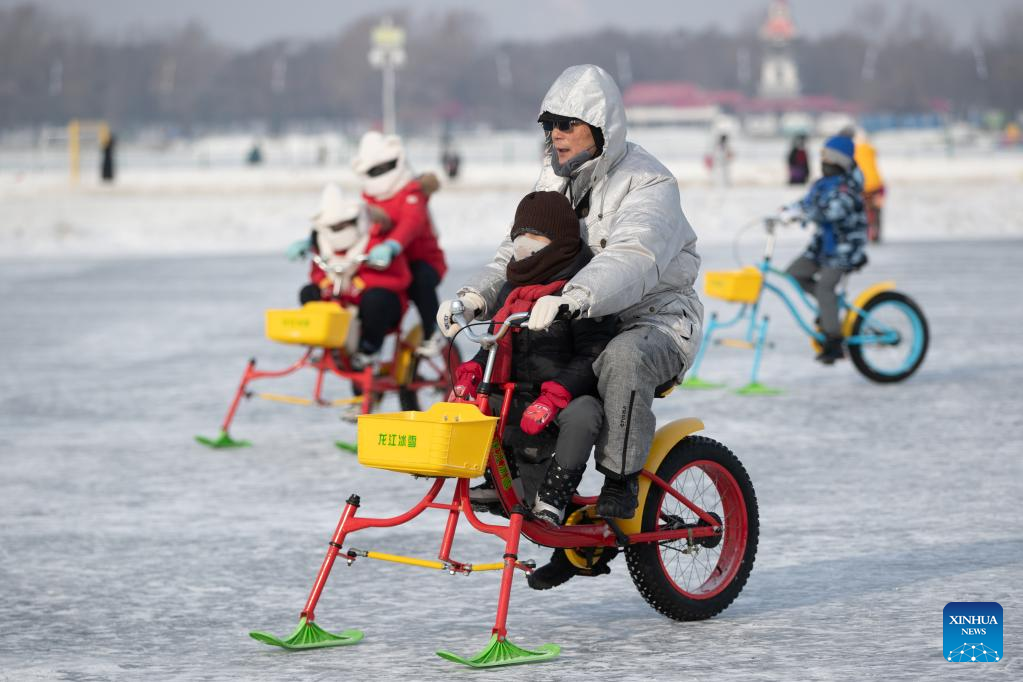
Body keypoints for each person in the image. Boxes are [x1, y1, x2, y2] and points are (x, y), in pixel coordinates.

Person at [438, 64, 703, 525]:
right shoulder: (554, 175)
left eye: (567, 124)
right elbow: (519, 251)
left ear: (601, 128)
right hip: (573, 315)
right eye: (548, 124)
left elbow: (634, 256)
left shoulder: (649, 183)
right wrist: (475, 297)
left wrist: (573, 297)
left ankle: (620, 481)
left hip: (654, 320)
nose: (555, 135)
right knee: (517, 352)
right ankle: (530, 490)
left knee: (621, 358)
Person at [452, 191, 615, 527]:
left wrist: (555, 396)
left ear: (559, 241)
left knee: (583, 414)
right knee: (475, 405)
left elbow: (593, 354)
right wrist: (474, 368)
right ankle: (502, 480)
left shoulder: (581, 291)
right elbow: (495, 345)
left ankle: (554, 496)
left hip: (565, 397)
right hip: (521, 396)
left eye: (535, 237)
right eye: (519, 236)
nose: (524, 245)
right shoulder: (510, 287)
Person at [351, 131, 448, 356]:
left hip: (422, 260)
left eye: (383, 168)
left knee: (420, 279)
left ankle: (433, 330)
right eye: (374, 170)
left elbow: (411, 222)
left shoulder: (411, 192)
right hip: (389, 266)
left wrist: (393, 245)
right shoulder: (369, 198)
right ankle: (367, 344)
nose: (380, 174)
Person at [299, 183, 411, 369]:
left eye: (343, 225)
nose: (338, 230)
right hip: (342, 305)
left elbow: (400, 278)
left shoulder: (376, 241)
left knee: (375, 300)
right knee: (309, 293)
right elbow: (318, 273)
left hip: (380, 308)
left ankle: (369, 350)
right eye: (333, 227)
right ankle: (325, 345)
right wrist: (323, 284)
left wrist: (360, 283)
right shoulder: (323, 246)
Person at [782, 135, 868, 364]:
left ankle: (834, 341)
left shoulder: (847, 189)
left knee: (825, 288)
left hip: (844, 249)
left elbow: (832, 211)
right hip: (823, 247)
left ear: (840, 163)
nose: (823, 164)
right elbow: (807, 202)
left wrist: (806, 214)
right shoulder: (822, 184)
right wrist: (787, 211)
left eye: (828, 160)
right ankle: (827, 305)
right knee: (794, 273)